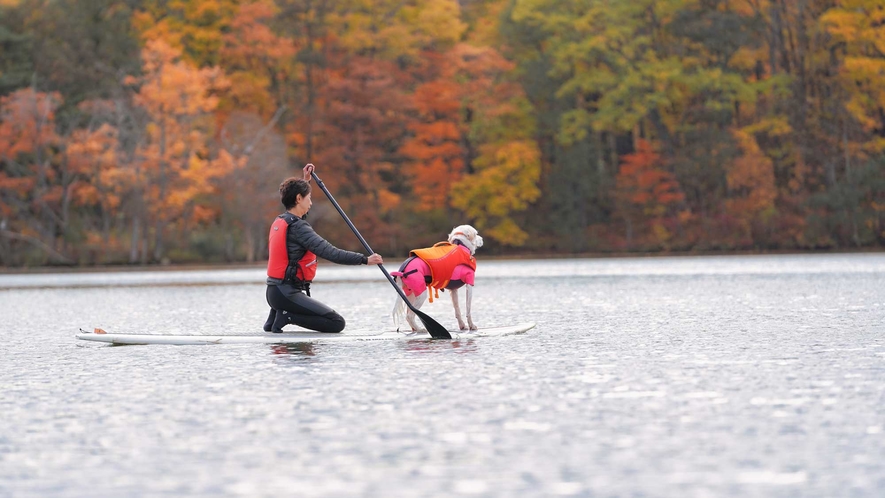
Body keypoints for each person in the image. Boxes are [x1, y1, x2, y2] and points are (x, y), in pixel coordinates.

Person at [264, 164, 382, 333]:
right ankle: (286, 317)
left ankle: (276, 318)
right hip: (287, 295)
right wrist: (364, 260)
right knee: (336, 323)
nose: (311, 203)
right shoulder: (298, 228)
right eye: (309, 197)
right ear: (298, 198)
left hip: (274, 293)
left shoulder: (283, 220)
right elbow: (330, 253)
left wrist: (306, 181)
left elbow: (300, 216)